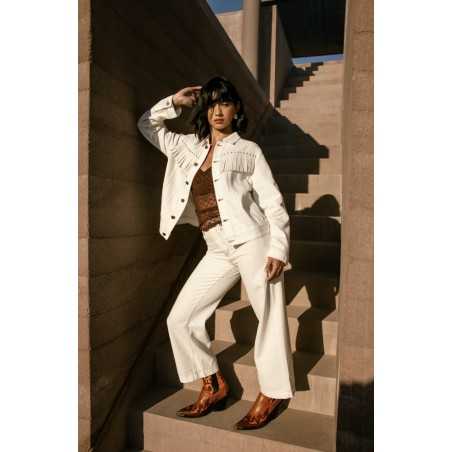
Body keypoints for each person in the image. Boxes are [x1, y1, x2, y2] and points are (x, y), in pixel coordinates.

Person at [137, 76, 295, 430]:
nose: (217, 111)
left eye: (224, 103)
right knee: (180, 318)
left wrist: (278, 248)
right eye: (211, 104)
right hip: (216, 246)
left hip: (253, 241)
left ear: (236, 108)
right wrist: (175, 102)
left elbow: (273, 203)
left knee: (269, 316)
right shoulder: (187, 147)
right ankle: (212, 383)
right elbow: (147, 125)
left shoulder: (249, 151)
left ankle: (272, 392)